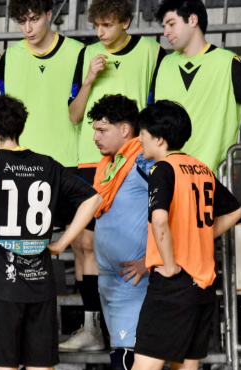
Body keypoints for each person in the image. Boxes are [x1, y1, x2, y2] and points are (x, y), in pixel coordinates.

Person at [0, 94, 102, 370]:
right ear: (21, 127)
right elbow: (94, 198)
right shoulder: (47, 164)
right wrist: (63, 242)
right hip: (39, 283)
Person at [61, 0, 165, 351]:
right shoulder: (87, 54)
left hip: (133, 159)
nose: (101, 32)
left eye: (108, 25)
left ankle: (137, 332)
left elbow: (157, 107)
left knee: (134, 236)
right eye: (97, 25)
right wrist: (89, 79)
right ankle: (92, 327)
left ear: (126, 22)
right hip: (92, 162)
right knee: (83, 244)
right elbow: (74, 115)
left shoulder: (151, 51)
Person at [131, 101, 241, 370]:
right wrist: (200, 236)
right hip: (202, 285)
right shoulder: (201, 168)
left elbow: (159, 220)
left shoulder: (162, 169)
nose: (139, 139)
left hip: (173, 285)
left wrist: (169, 264)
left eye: (143, 133)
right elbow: (236, 211)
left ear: (159, 138)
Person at [74, 95, 153, 370]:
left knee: (129, 363)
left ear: (124, 130)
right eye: (94, 130)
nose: (95, 137)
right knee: (123, 361)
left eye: (102, 130)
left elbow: (174, 212)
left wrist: (150, 259)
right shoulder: (109, 165)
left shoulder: (144, 162)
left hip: (135, 280)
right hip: (110, 280)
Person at [153, 0, 241, 174]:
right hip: (169, 175)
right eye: (164, 26)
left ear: (192, 20)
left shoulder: (226, 62)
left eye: (171, 24)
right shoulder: (164, 64)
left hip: (213, 177)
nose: (165, 32)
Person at [0, 0, 83, 168]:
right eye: (21, 21)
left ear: (49, 15)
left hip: (69, 161)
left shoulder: (78, 52)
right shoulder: (8, 58)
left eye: (34, 19)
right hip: (22, 163)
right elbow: (1, 114)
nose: (28, 29)